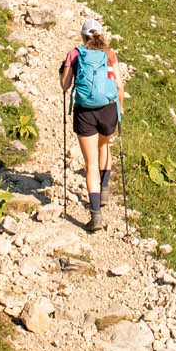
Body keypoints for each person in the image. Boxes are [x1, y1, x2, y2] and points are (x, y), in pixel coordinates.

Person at [59, 16, 125, 232]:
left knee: (91, 165)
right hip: (108, 109)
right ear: (101, 34)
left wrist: (65, 70)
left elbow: (65, 86)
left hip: (85, 112)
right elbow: (119, 85)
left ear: (83, 35)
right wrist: (120, 108)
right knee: (104, 147)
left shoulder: (75, 53)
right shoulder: (110, 54)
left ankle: (96, 216)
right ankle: (104, 190)